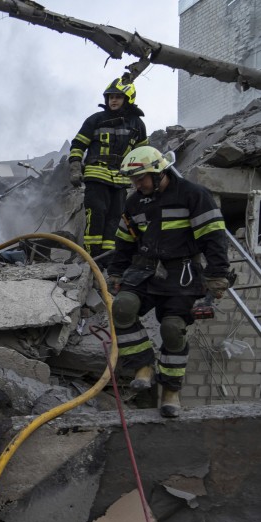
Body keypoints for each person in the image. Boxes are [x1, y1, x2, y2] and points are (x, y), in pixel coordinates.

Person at [108, 146, 230, 418]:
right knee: (123, 307)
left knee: (173, 329)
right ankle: (143, 366)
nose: (137, 185)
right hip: (144, 270)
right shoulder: (134, 202)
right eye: (133, 180)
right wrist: (116, 272)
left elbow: (214, 237)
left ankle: (171, 392)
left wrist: (217, 274)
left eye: (141, 179)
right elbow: (124, 242)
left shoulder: (193, 195)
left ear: (159, 171)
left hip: (182, 274)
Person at [69, 78, 147, 259]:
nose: (113, 100)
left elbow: (143, 152)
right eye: (111, 97)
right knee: (96, 214)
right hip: (96, 175)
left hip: (121, 180)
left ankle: (108, 258)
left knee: (115, 219)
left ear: (128, 99)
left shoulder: (137, 124)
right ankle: (92, 258)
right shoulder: (95, 120)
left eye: (118, 97)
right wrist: (74, 166)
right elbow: (78, 144)